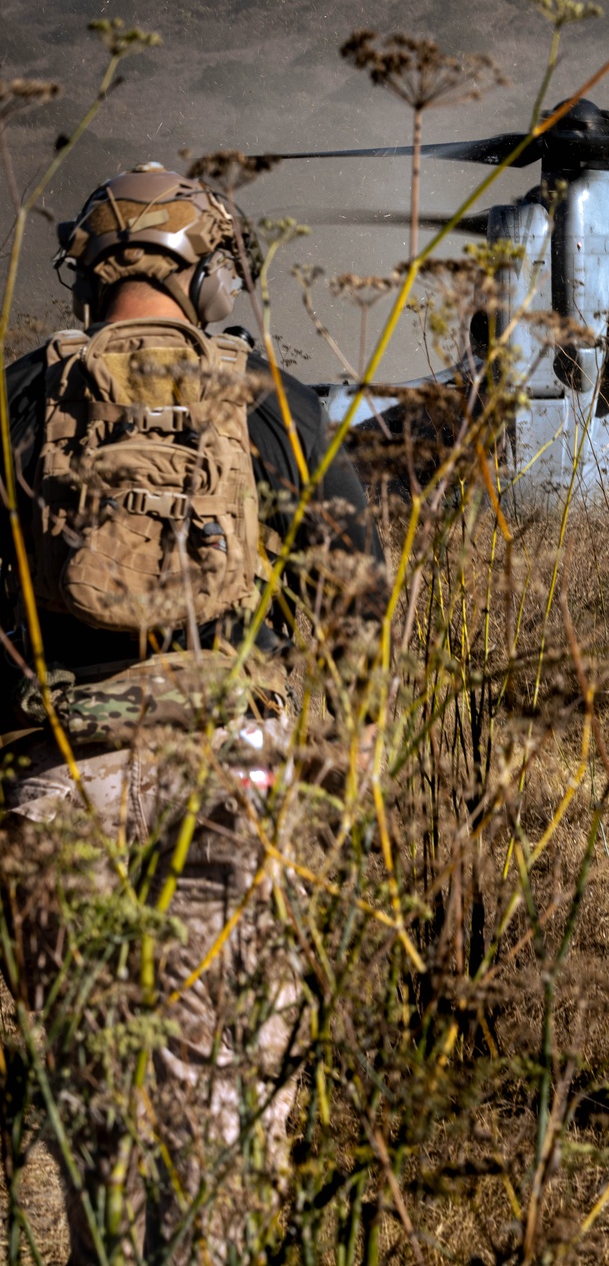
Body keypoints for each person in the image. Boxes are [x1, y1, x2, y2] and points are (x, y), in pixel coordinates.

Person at [0, 164, 385, 1260]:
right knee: (226, 1092)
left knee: (87, 1097)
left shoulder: (21, 397)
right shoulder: (271, 400)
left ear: (86, 273)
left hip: (60, 778)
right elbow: (354, 595)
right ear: (212, 276)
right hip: (232, 769)